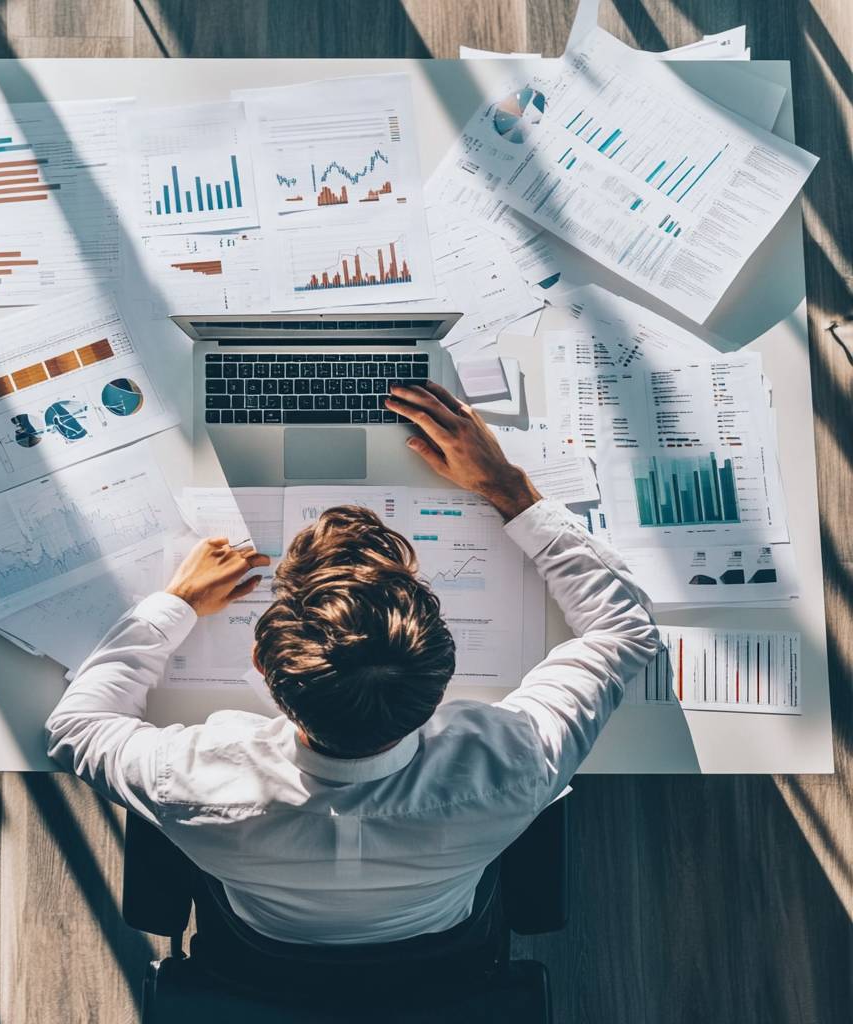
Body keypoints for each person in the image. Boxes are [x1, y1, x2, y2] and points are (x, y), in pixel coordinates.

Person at [46, 381, 660, 946]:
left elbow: (75, 729)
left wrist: (175, 604)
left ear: (263, 664)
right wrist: (508, 489)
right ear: (443, 675)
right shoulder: (514, 765)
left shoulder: (191, 780)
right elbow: (625, 629)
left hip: (265, 951)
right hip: (437, 949)